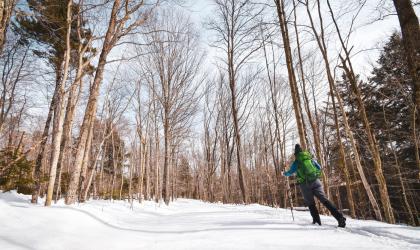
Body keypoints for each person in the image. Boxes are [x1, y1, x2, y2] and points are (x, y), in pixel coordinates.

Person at [283, 144, 346, 228]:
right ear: (302, 151)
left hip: (305, 185)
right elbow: (319, 168)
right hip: (316, 181)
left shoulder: (297, 162)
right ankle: (340, 217)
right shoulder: (310, 158)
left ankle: (317, 222)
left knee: (311, 204)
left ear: (296, 154)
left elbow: (290, 172)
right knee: (325, 200)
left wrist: (284, 173)